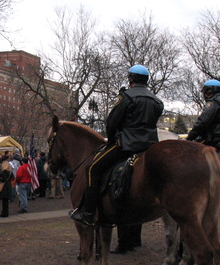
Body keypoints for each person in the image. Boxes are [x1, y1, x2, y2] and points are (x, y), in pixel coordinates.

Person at [70, 65, 164, 226]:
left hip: (126, 145)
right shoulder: (157, 101)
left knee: (92, 168)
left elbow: (112, 123)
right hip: (148, 146)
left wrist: (113, 140)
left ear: (131, 79)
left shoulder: (126, 97)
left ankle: (89, 212)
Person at [186, 79, 220, 150]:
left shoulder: (213, 103)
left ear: (208, 92)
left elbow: (202, 122)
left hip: (212, 140)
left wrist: (190, 137)